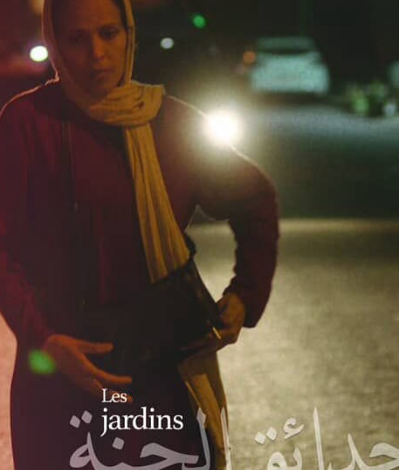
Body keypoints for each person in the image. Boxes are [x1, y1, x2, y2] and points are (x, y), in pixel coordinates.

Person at [0, 0, 278, 468]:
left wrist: (245, 296)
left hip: (157, 379)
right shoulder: (27, 125)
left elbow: (255, 199)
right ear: (55, 43)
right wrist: (43, 338)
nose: (97, 54)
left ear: (129, 34)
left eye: (108, 34)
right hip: (62, 381)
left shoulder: (170, 122)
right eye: (77, 39)